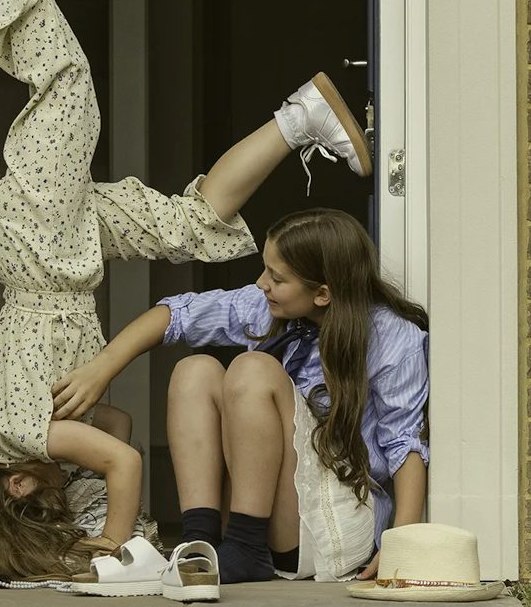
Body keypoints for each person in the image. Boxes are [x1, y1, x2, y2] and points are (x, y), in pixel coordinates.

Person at [0, 0, 374, 586]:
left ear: (17, 481)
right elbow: (115, 428)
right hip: (62, 254)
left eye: (50, 500)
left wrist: (111, 542)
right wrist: (85, 424)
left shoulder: (22, 433)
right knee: (190, 223)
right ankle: (299, 119)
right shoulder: (38, 436)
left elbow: (121, 461)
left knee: (68, 90)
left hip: (41, 249)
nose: (66, 493)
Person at [50, 207, 430, 586]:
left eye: (277, 278)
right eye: (265, 268)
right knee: (195, 370)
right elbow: (176, 314)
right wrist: (100, 369)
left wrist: (401, 546)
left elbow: (405, 447)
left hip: (332, 523)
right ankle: (200, 542)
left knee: (253, 370)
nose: (262, 283)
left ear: (323, 294)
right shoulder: (268, 305)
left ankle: (246, 549)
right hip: (273, 513)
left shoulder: (393, 338)